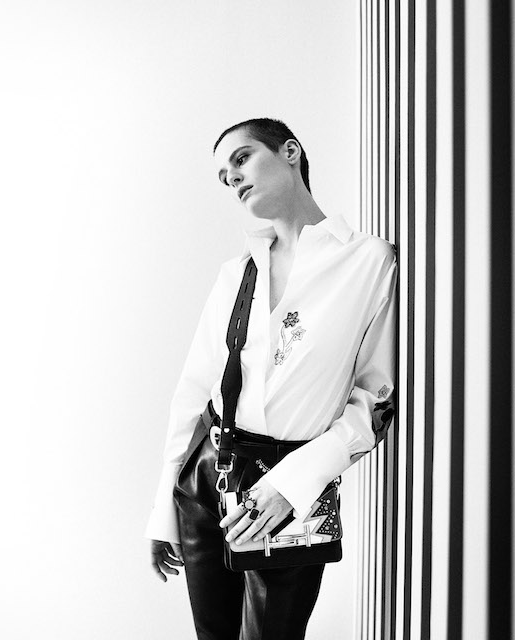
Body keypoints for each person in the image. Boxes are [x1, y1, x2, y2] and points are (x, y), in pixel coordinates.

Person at [145, 117, 397, 640]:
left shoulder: (368, 261)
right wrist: (163, 505)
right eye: (224, 176)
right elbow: (193, 393)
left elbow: (376, 402)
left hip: (292, 486)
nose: (233, 179)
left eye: (241, 159)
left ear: (290, 151)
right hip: (208, 479)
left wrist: (293, 485)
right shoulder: (237, 273)